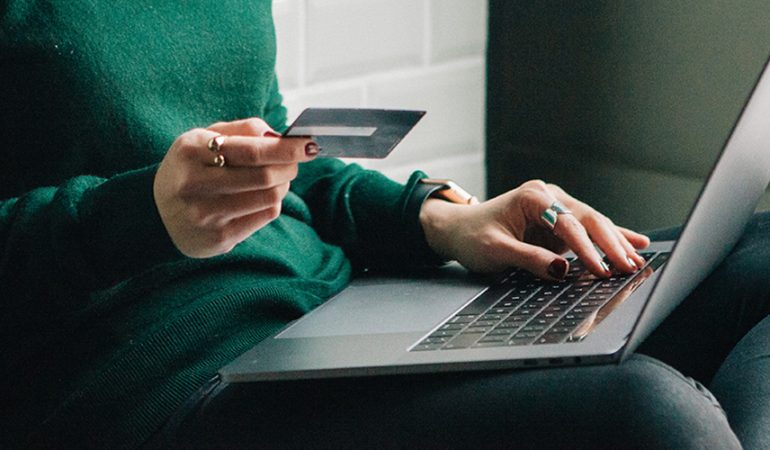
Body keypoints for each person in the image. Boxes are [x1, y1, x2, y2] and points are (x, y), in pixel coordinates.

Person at [0, 1, 767, 448]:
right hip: (164, 381)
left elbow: (270, 150)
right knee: (652, 417)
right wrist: (141, 217)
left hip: (332, 313)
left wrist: (438, 218)